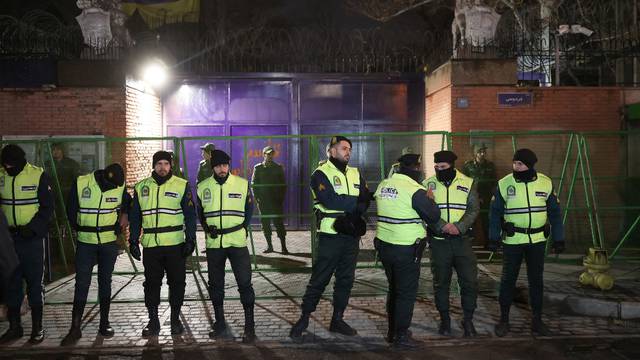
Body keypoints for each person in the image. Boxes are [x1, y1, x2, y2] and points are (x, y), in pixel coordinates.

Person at [290, 136, 370, 340]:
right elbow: (330, 201)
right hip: (330, 235)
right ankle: (304, 317)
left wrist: (353, 204)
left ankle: (337, 319)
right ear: (331, 151)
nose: (348, 152)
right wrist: (355, 202)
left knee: (346, 279)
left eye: (349, 149)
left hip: (351, 234)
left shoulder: (355, 173)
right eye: (343, 148)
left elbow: (365, 201)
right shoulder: (320, 174)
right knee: (320, 278)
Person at [488, 148, 564, 337]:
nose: (516, 167)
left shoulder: (545, 183)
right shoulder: (504, 183)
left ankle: (537, 321)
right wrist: (493, 238)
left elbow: (555, 213)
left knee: (536, 281)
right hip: (513, 240)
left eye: (520, 164)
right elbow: (495, 213)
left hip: (537, 240)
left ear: (530, 165)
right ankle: (504, 320)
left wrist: (559, 238)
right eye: (514, 163)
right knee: (507, 281)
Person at [374, 153, 440, 348]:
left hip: (385, 245)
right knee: (406, 293)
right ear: (416, 168)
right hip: (406, 249)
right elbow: (434, 216)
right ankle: (401, 335)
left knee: (394, 288)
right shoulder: (415, 190)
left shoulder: (384, 184)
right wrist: (431, 199)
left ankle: (392, 331)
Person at [60, 163, 131, 345]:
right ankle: (75, 327)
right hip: (86, 243)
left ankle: (104, 323)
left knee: (105, 282)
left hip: (108, 243)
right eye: (113, 186)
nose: (116, 189)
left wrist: (125, 215)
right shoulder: (82, 183)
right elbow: (70, 210)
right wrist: (83, 229)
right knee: (82, 283)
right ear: (105, 178)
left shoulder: (119, 184)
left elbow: (128, 201)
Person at [128, 151, 197, 336]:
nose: (163, 167)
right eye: (159, 163)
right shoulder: (141, 187)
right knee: (151, 284)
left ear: (171, 165)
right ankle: (153, 321)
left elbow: (190, 216)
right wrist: (133, 240)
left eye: (166, 163)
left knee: (177, 283)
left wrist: (191, 239)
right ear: (154, 165)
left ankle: (175, 320)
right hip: (151, 246)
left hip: (175, 245)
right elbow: (135, 218)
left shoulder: (181, 185)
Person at [196, 150, 256, 343]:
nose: (222, 169)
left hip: (237, 242)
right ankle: (220, 323)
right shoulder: (202, 187)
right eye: (218, 165)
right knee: (215, 285)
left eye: (225, 165)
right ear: (212, 167)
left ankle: (249, 327)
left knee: (245, 284)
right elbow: (200, 212)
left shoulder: (242, 184)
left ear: (229, 166)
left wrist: (242, 228)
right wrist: (206, 228)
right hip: (214, 244)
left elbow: (249, 210)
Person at [0, 144, 54, 344]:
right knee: (11, 283)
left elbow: (48, 207)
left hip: (31, 239)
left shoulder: (38, 175)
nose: (7, 167)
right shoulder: (2, 176)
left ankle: (37, 329)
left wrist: (32, 228)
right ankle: (15, 328)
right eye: (4, 164)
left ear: (20, 161)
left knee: (34, 283)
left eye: (11, 164)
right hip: (7, 239)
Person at [423, 150, 480, 338]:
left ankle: (468, 320)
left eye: (444, 167)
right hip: (439, 243)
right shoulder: (427, 184)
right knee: (441, 283)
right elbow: (424, 211)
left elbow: (473, 209)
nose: (440, 170)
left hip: (462, 241)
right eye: (437, 167)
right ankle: (445, 320)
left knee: (470, 282)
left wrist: (460, 226)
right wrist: (441, 226)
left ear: (452, 166)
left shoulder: (467, 182)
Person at [252, 146, 288, 254]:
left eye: (272, 154)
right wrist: (257, 198)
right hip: (264, 202)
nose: (270, 156)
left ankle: (283, 247)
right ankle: (270, 246)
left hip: (276, 201)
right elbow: (254, 184)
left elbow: (283, 184)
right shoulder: (258, 168)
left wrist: (280, 198)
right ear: (264, 155)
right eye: (268, 154)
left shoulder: (278, 167)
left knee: (279, 224)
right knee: (265, 224)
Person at [461, 143, 497, 246]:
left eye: (484, 151)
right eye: (480, 151)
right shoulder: (468, 166)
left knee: (487, 220)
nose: (482, 154)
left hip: (487, 196)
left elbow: (494, 182)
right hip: (473, 196)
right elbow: (464, 182)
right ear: (475, 153)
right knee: (471, 220)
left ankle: (489, 243)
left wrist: (493, 196)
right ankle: (469, 244)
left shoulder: (490, 165)